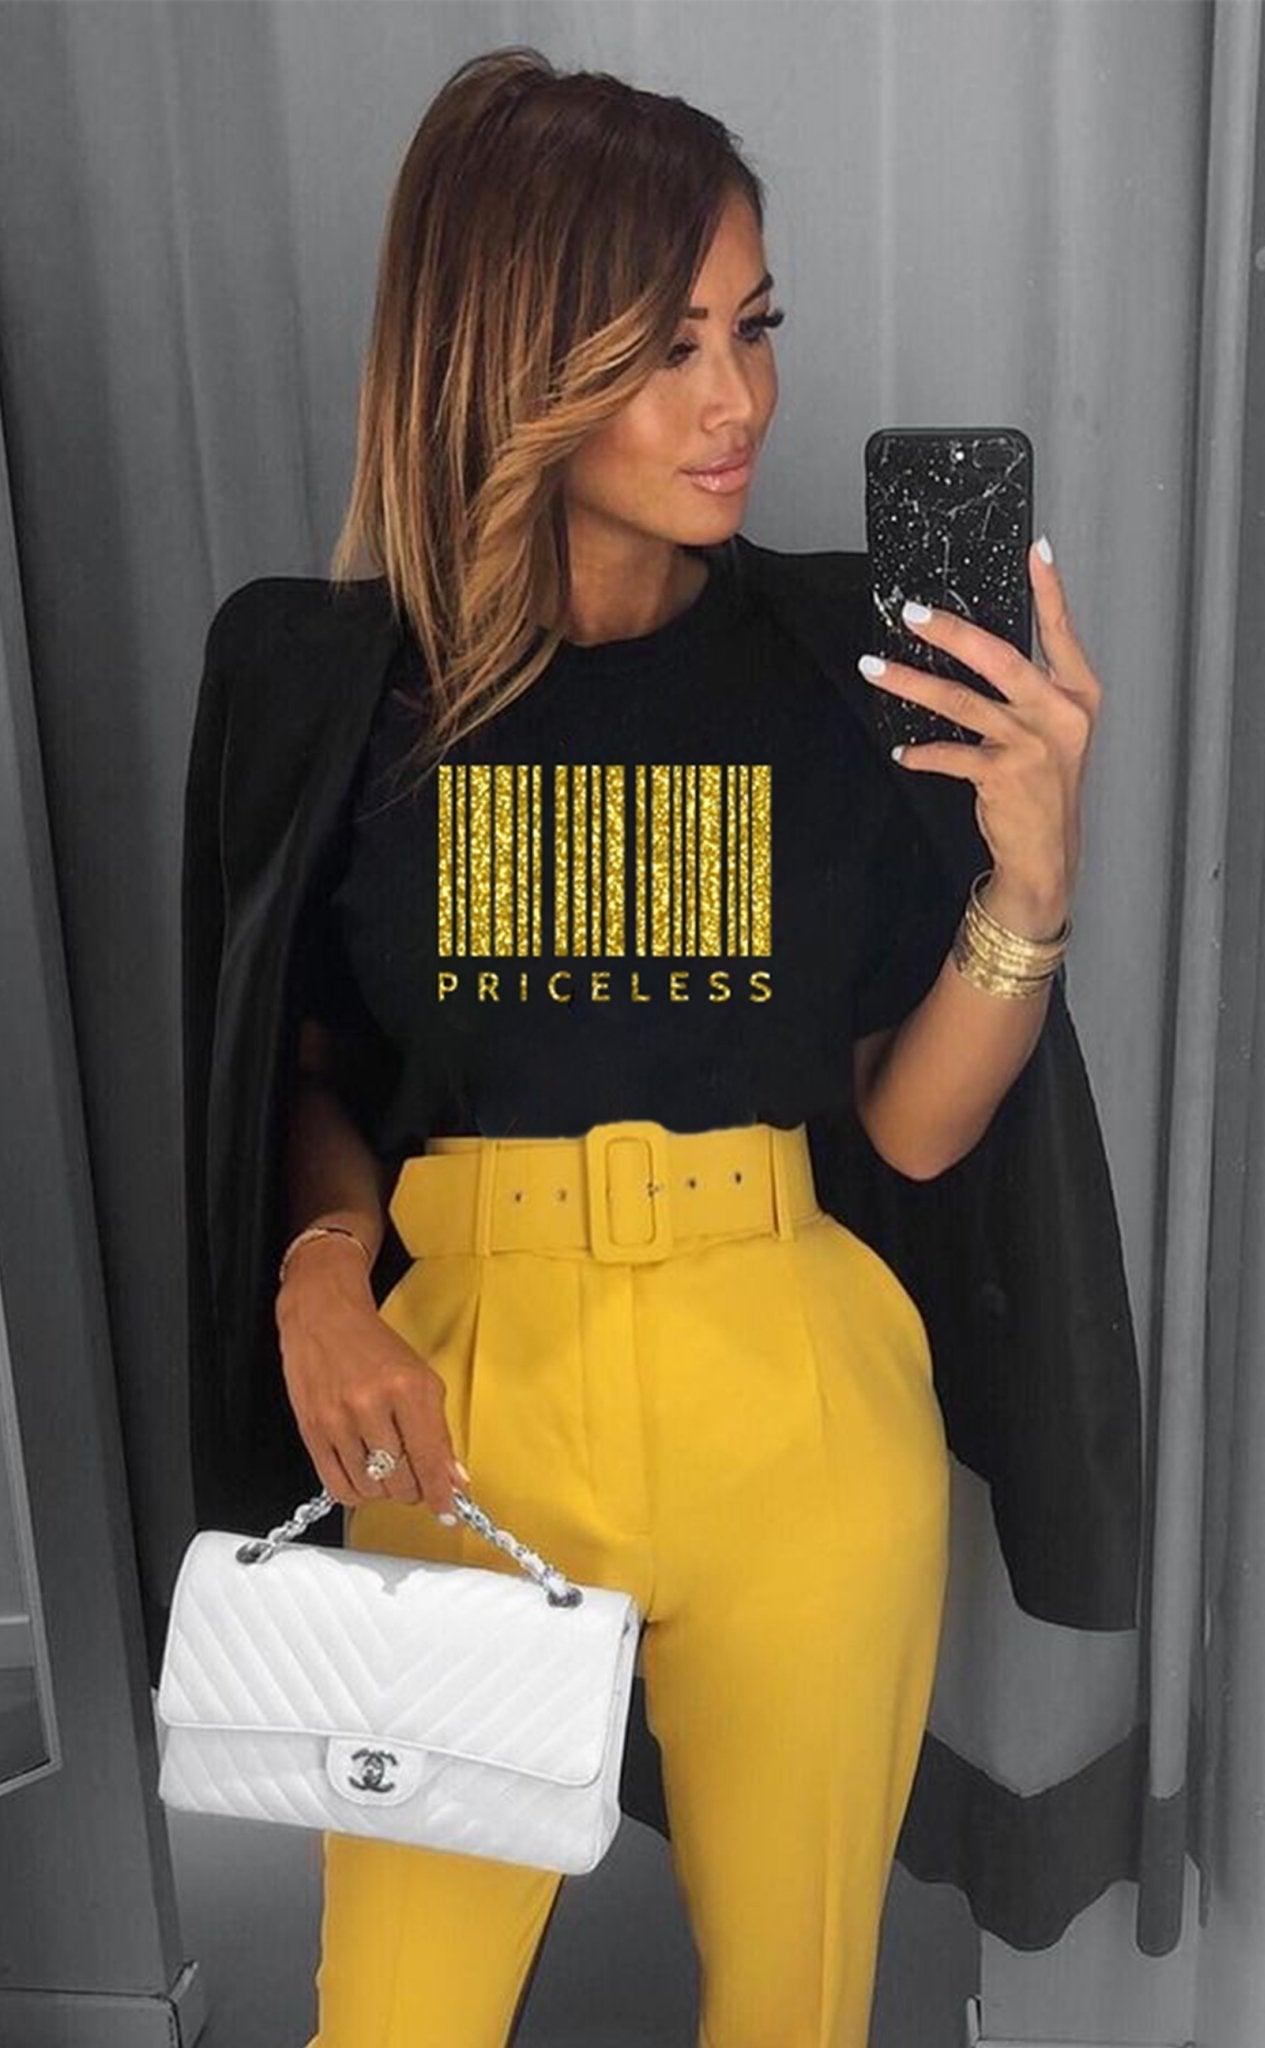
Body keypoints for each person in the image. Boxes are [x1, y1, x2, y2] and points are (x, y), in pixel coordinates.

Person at [208, 45, 1105, 2048]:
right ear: (510, 357)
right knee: (399, 2018)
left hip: (792, 1390)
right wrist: (321, 1276)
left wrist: (1029, 883)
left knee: (792, 2008)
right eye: (663, 345)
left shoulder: (838, 671)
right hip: (460, 1407)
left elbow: (912, 1130)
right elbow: (305, 1065)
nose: (739, 401)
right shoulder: (338, 687)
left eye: (750, 327)